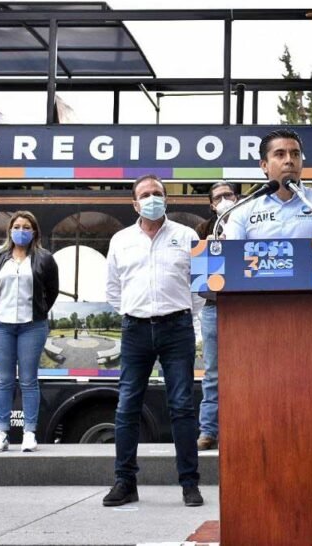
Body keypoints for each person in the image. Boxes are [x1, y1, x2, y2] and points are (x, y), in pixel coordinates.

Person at [103, 174, 205, 508]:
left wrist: (181, 313)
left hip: (177, 328)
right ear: (135, 203)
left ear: (166, 199)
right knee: (127, 406)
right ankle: (125, 481)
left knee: (181, 406)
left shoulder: (186, 236)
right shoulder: (120, 239)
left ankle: (189, 483)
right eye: (145, 194)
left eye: (157, 193)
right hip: (135, 329)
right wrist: (136, 312)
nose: (152, 199)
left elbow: (199, 288)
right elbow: (113, 289)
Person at [222, 128, 312, 266]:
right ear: (264, 165)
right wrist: (217, 248)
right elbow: (229, 255)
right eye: (280, 154)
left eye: (295, 154)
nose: (289, 160)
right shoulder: (244, 209)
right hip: (258, 288)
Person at [0, 211, 59, 453]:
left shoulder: (44, 259)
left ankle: (29, 433)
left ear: (34, 231)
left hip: (32, 326)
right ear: (10, 230)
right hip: (1, 325)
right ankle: (2, 433)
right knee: (4, 381)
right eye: (17, 226)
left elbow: (52, 290)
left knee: (28, 380)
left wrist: (40, 310)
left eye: (27, 227)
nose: (21, 230)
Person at [194, 180, 238, 451]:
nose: (224, 200)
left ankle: (239, 425)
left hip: (245, 307)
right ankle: (208, 430)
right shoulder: (202, 230)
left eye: (228, 195)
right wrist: (211, 250)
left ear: (238, 198)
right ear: (211, 204)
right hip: (213, 307)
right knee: (213, 373)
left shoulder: (251, 226)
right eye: (218, 197)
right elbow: (200, 279)